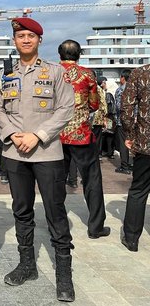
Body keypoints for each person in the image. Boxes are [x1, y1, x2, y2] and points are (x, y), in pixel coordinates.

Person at [0, 17, 75, 302]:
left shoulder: (54, 72)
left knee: (55, 210)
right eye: (21, 36)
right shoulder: (5, 75)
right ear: (14, 41)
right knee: (21, 209)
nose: (26, 40)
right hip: (15, 152)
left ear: (40, 40)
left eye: (31, 36)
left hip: (46, 152)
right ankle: (27, 264)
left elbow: (66, 108)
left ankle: (64, 275)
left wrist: (37, 135)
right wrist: (14, 134)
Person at [58, 40, 109, 239]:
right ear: (79, 54)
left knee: (55, 181)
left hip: (56, 136)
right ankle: (96, 227)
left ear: (59, 54)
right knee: (92, 180)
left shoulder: (53, 72)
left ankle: (57, 224)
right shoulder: (87, 74)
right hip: (81, 135)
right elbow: (95, 104)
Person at [120, 65, 150, 252]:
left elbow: (127, 105)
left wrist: (130, 134)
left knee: (139, 189)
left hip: (146, 142)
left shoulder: (141, 72)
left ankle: (131, 238)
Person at [114, 69, 132, 174]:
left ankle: (124, 166)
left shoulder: (120, 90)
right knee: (132, 142)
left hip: (122, 120)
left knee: (123, 143)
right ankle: (131, 164)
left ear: (123, 78)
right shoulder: (135, 89)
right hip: (134, 120)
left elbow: (118, 106)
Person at [99, 77, 116, 158]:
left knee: (106, 134)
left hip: (108, 117)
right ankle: (110, 153)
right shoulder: (111, 93)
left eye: (105, 83)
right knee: (109, 135)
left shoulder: (108, 94)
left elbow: (108, 107)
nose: (103, 85)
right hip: (110, 117)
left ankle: (105, 152)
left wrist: (104, 117)